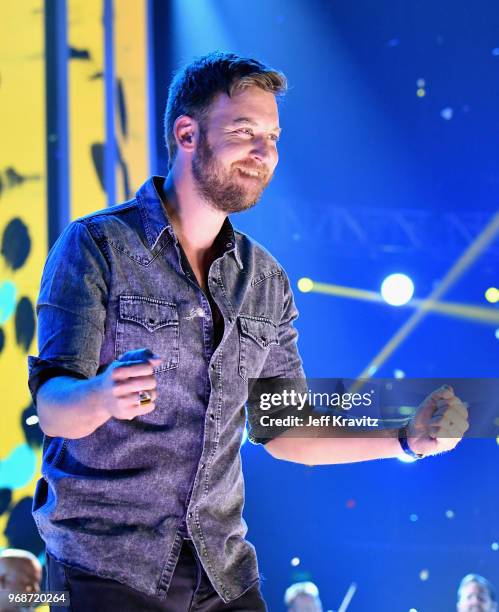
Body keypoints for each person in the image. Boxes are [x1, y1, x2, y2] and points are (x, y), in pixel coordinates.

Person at [28, 51, 469, 611]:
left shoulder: (265, 280)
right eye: (244, 133)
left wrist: (405, 440)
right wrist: (98, 395)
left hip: (222, 573)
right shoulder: (97, 246)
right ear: (187, 134)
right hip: (105, 569)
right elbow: (53, 407)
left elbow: (286, 432)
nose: (265, 154)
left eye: (273, 137)